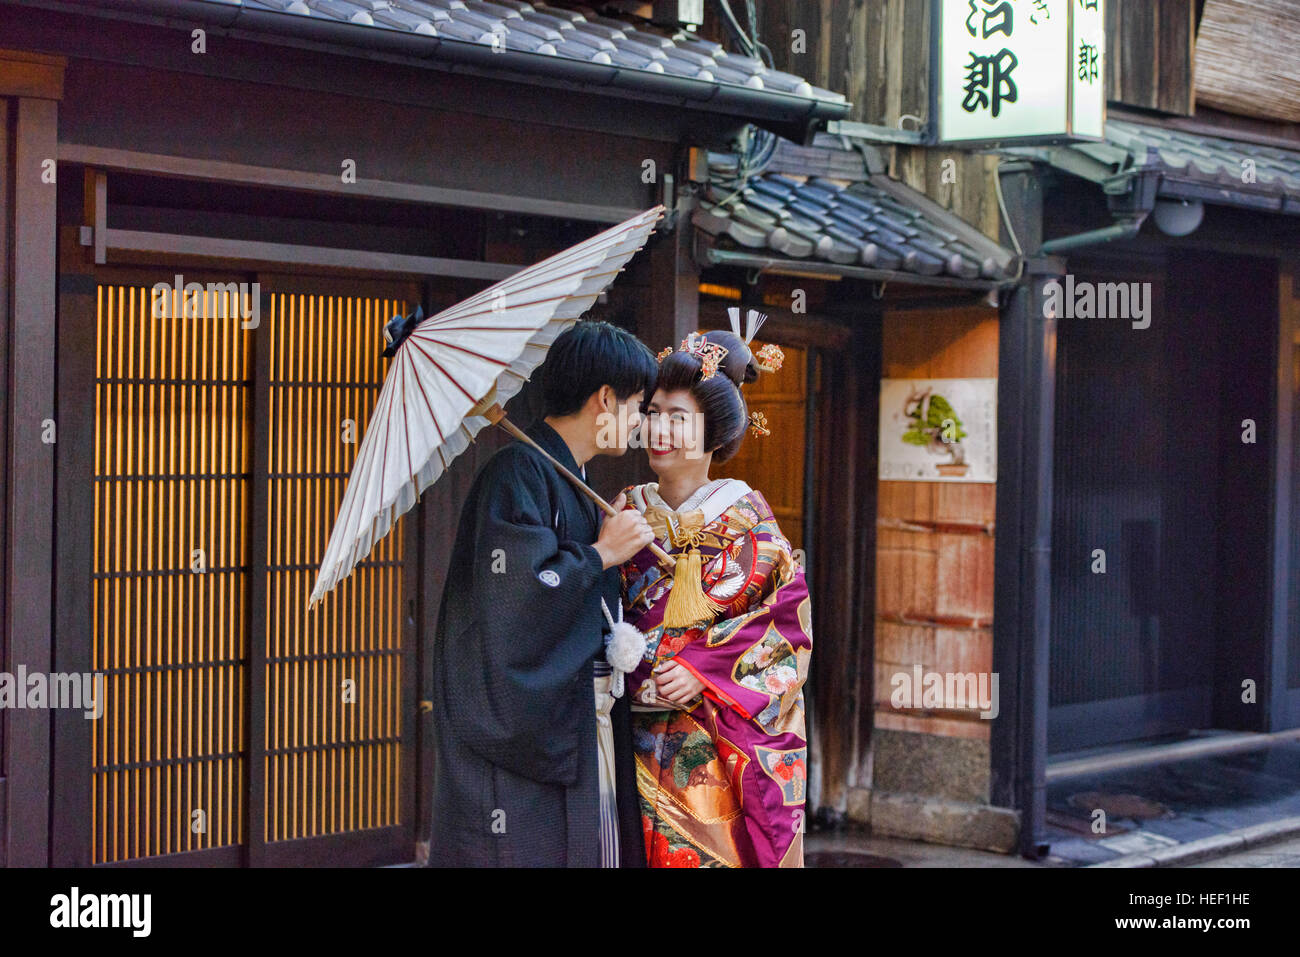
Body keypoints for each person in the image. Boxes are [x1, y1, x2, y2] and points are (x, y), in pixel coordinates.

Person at [428, 320, 657, 867]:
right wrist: (601, 555)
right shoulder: (517, 473)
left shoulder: (563, 475)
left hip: (574, 721)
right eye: (639, 405)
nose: (641, 421)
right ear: (606, 399)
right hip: (520, 738)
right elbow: (516, 594)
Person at [616, 321, 813, 868]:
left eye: (679, 419)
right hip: (627, 731)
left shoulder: (753, 528)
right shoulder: (624, 514)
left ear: (717, 434)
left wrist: (702, 670)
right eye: (653, 413)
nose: (660, 429)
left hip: (709, 746)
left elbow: (786, 634)